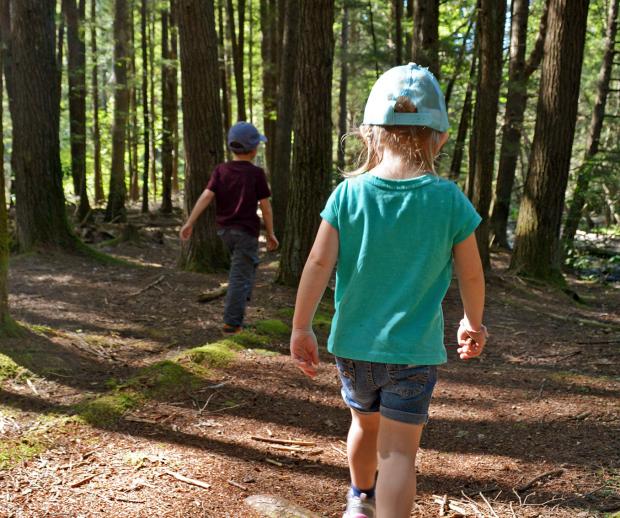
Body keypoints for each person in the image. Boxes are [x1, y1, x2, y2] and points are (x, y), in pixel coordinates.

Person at [289, 63, 488, 518]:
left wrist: (302, 325)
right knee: (399, 453)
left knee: (363, 425)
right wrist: (472, 322)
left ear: (371, 134)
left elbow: (318, 263)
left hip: (355, 347)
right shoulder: (449, 200)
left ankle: (360, 500)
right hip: (414, 352)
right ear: (439, 136)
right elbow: (472, 275)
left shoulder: (348, 194)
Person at [180, 121, 279, 334]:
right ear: (253, 149)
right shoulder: (256, 174)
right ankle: (232, 324)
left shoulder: (221, 170)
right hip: (246, 233)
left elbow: (207, 196)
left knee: (247, 268)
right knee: (240, 276)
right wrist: (270, 233)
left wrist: (190, 222)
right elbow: (266, 207)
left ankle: (239, 307)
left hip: (225, 232)